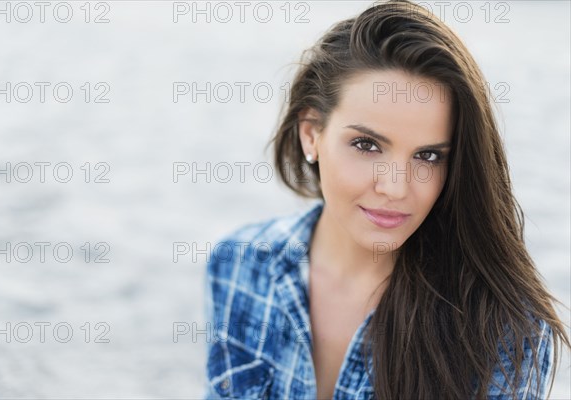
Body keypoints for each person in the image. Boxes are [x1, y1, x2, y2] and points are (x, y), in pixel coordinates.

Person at [203, 0, 570, 398]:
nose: (395, 188)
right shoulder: (238, 267)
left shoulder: (499, 331)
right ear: (311, 132)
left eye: (428, 156)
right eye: (367, 145)